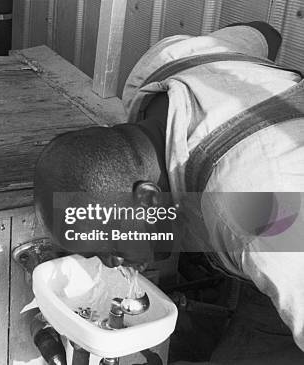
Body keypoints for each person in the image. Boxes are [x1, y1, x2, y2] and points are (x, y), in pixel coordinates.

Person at [34, 22, 304, 364]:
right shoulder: (164, 64)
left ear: (147, 199)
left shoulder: (256, 219)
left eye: (109, 248)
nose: (111, 263)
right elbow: (265, 33)